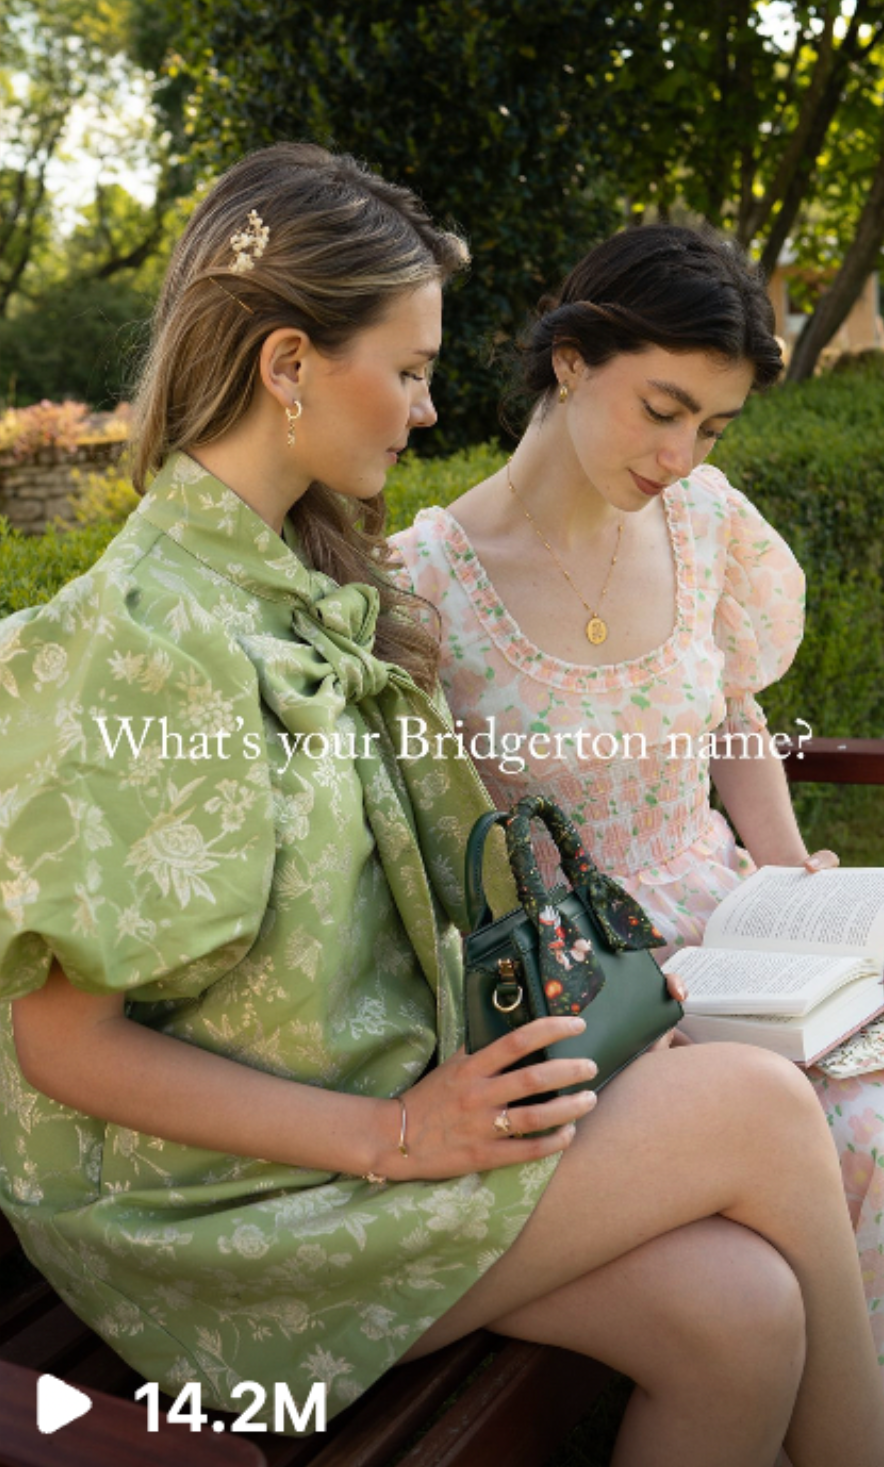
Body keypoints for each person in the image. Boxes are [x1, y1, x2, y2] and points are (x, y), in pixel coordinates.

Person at [0, 152, 881, 1467]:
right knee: (760, 1105)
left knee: (738, 1312)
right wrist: (400, 1129)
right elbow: (64, 1043)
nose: (424, 412)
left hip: (386, 1113)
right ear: (289, 364)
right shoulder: (145, 635)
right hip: (234, 1211)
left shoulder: (299, 577)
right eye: (408, 371)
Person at [391, 223, 884, 1368]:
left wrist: (779, 867)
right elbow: (442, 854)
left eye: (709, 426)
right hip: (601, 980)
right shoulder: (423, 586)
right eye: (661, 410)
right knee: (864, 1130)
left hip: (736, 921)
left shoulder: (702, 521)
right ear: (571, 360)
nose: (680, 453)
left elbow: (731, 713)